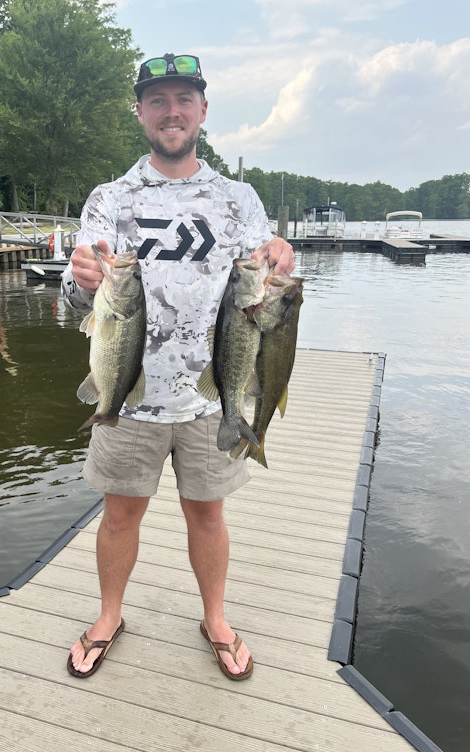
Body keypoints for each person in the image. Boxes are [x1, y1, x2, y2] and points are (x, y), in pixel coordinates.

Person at [61, 52, 295, 680]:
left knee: (209, 515)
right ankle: (109, 615)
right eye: (158, 101)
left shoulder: (238, 199)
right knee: (119, 515)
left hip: (212, 397)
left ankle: (215, 618)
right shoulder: (110, 198)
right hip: (128, 395)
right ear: (140, 113)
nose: (172, 112)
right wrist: (80, 280)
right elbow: (75, 296)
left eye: (183, 100)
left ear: (203, 110)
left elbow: (264, 287)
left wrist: (277, 259)